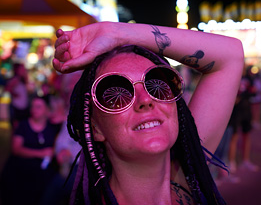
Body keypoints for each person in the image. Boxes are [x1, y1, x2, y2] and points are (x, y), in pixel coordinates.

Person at [53, 22, 244, 205]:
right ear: (95, 128)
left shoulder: (186, 177)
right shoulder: (186, 178)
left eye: (157, 85)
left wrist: (116, 32)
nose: (145, 100)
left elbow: (231, 54)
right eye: (118, 95)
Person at [0, 96, 60, 205]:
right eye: (33, 106)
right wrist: (40, 153)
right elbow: (16, 149)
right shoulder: (23, 125)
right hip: (20, 171)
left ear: (47, 110)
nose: (34, 110)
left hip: (41, 174)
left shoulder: (52, 128)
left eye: (38, 107)